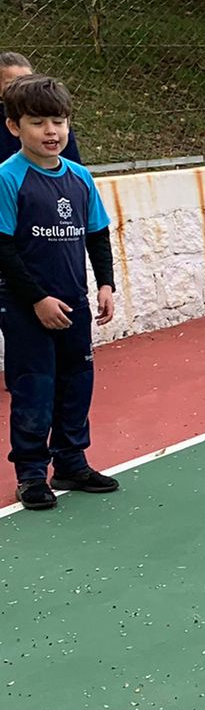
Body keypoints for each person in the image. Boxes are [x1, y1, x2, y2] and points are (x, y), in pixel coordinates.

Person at [0, 75, 117, 509]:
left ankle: (71, 461)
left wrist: (105, 284)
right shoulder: (8, 178)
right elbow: (3, 248)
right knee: (34, 387)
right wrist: (37, 299)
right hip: (25, 306)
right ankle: (31, 474)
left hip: (74, 303)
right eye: (37, 122)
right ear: (14, 127)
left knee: (76, 383)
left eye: (59, 121)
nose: (51, 131)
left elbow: (97, 234)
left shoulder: (80, 178)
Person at [0, 53, 82, 164]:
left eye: (28, 81)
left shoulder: (54, 116)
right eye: (37, 123)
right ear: (13, 126)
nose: (21, 88)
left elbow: (72, 162)